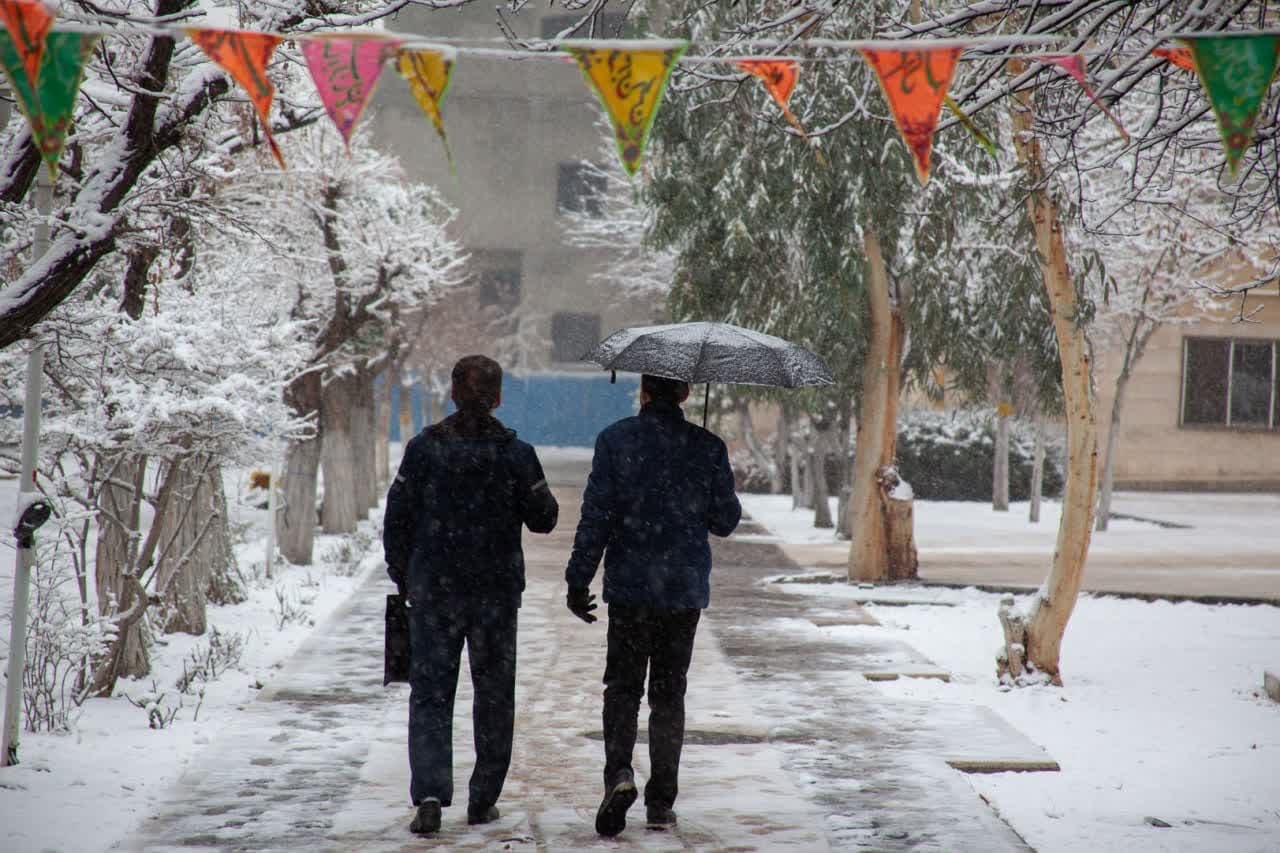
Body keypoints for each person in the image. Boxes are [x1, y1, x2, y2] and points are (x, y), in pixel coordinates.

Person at [383, 354, 558, 836]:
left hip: (434, 593)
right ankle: (483, 799)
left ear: (452, 393)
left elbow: (397, 517)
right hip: (495, 596)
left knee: (431, 695)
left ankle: (430, 795)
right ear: (498, 398)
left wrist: (404, 575)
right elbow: (544, 519)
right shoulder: (516, 454)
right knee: (494, 696)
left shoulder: (424, 450)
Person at [564, 373, 742, 837]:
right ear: (685, 393)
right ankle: (661, 801)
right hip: (681, 591)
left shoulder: (615, 441)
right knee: (669, 694)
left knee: (622, 689)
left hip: (630, 588)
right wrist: (701, 485)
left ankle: (619, 775)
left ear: (643, 390)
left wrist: (578, 578)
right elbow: (725, 521)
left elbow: (596, 517)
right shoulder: (707, 447)